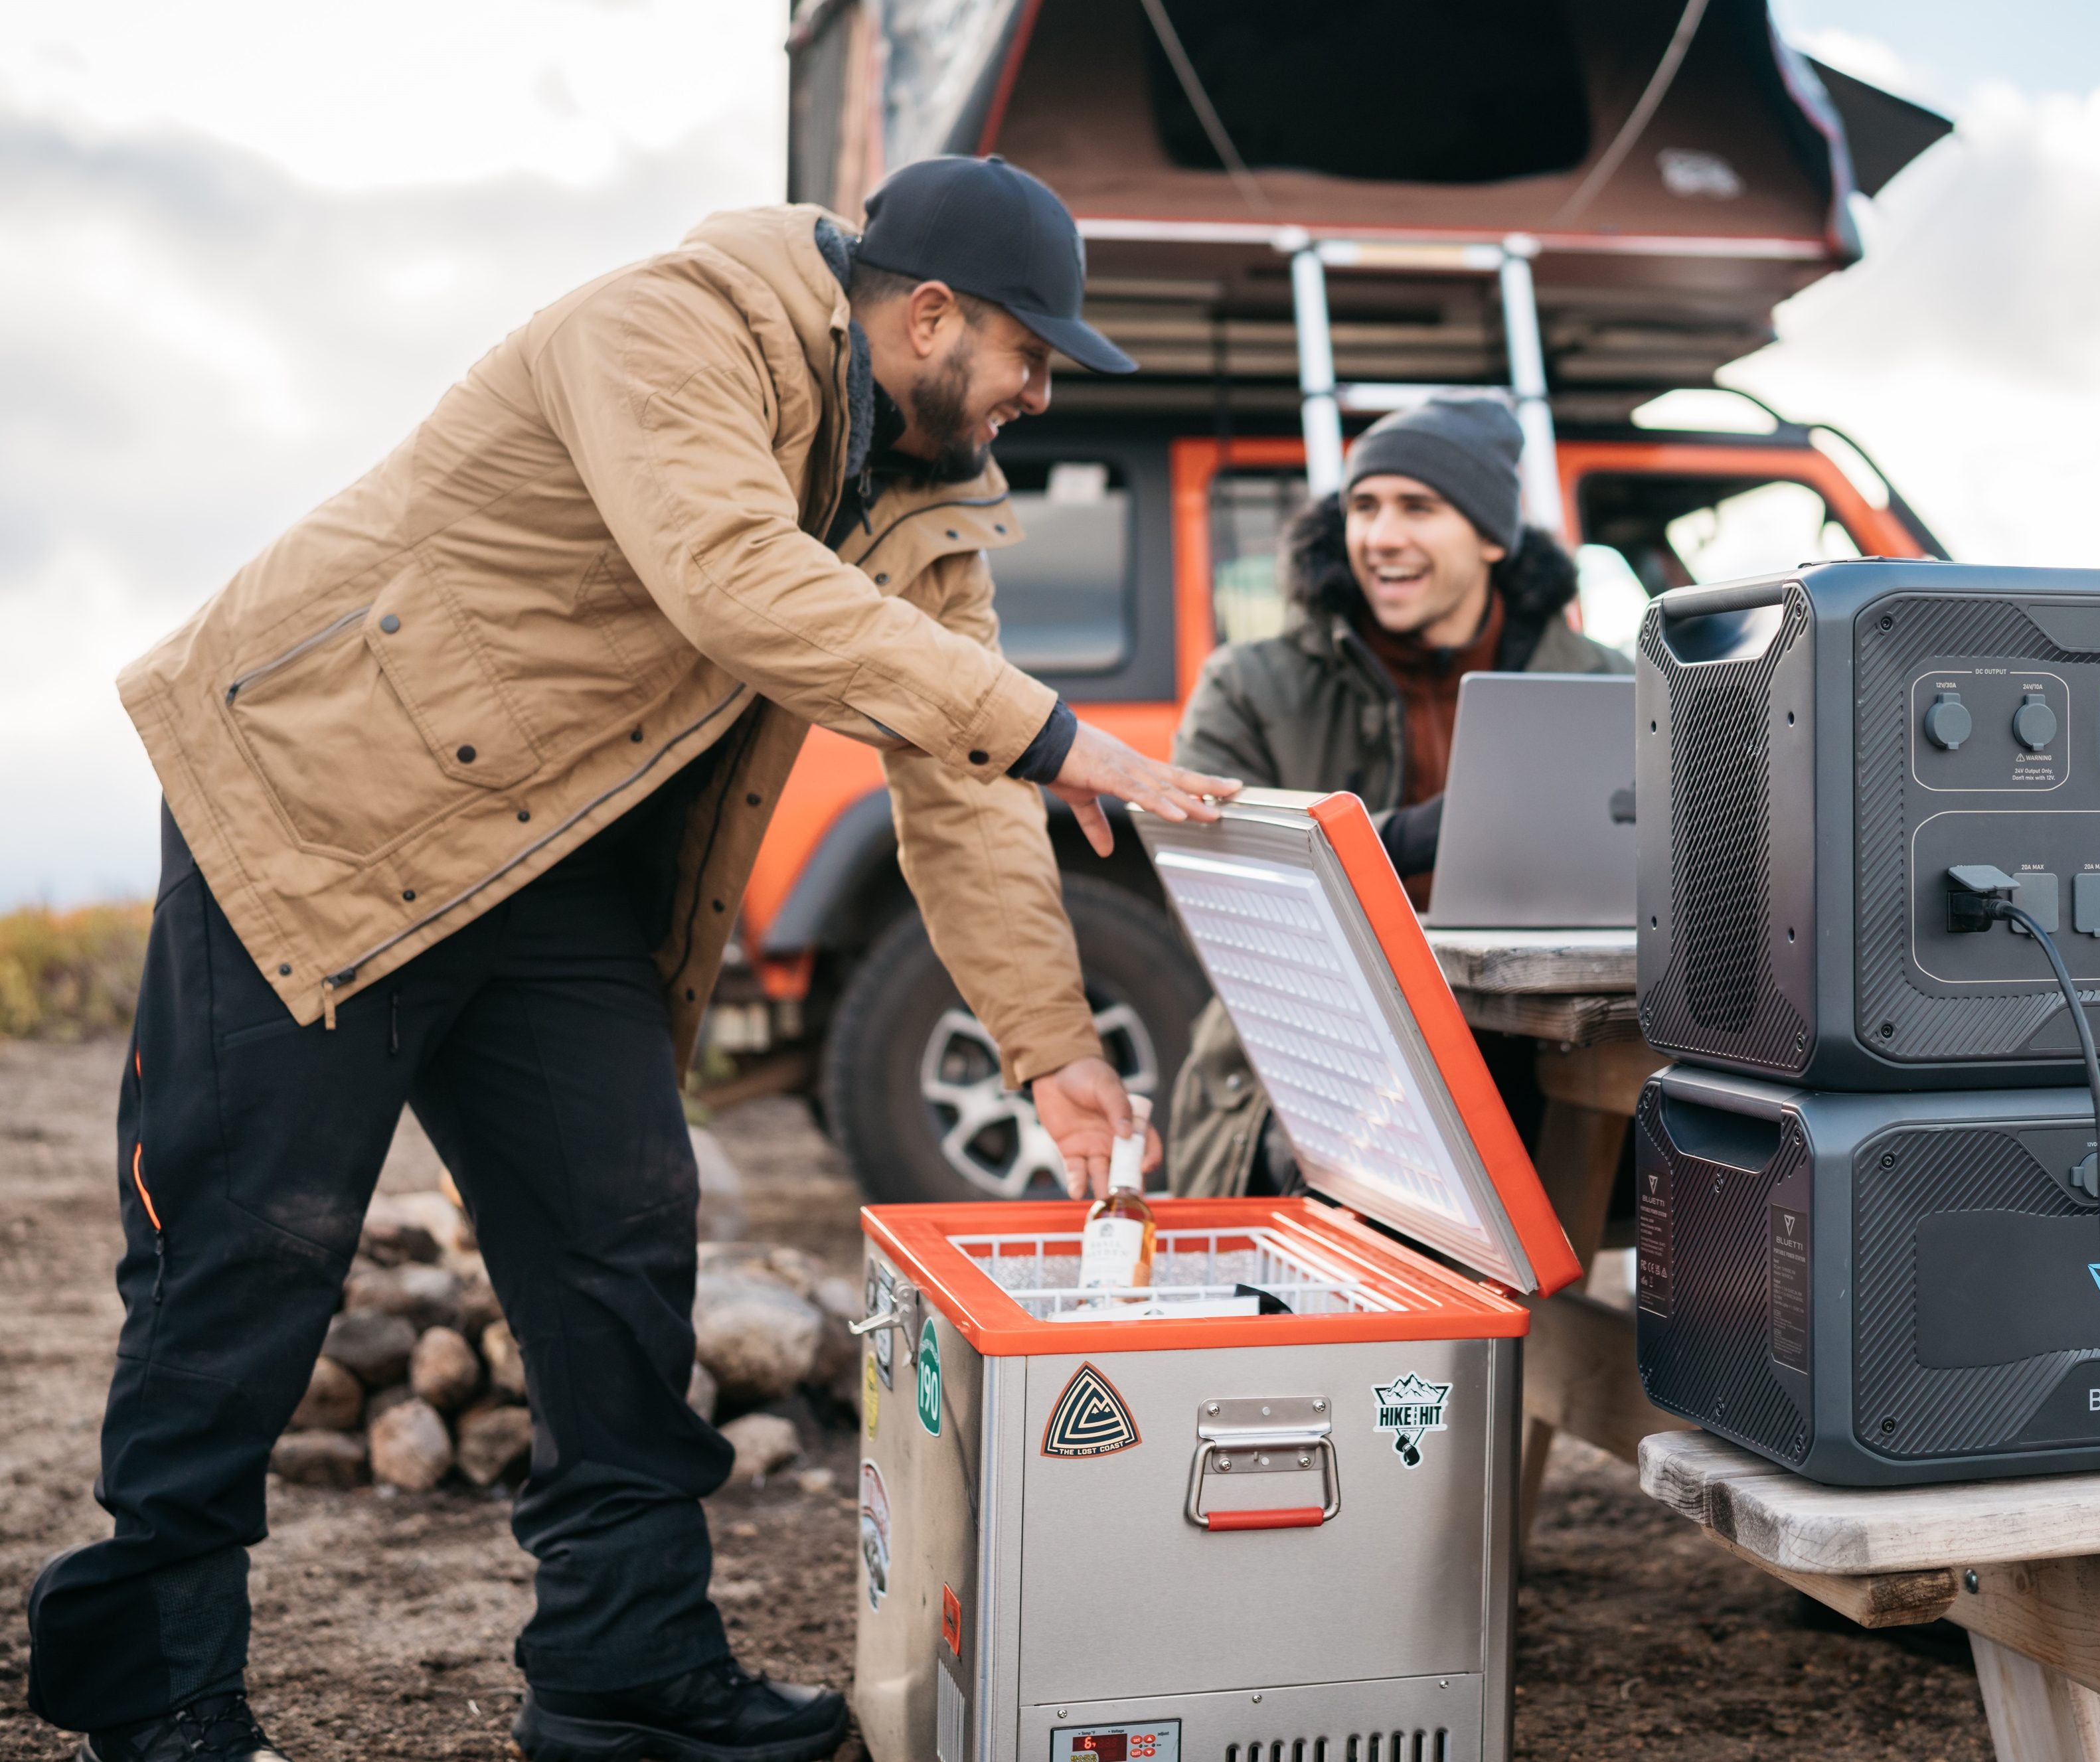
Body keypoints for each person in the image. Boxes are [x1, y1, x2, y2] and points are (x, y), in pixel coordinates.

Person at [24, 156, 1237, 1762]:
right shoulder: (673, 327)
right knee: (248, 1248)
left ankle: (620, 1663)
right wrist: (1062, 738)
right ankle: (162, 1693)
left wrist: (1052, 1046)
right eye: (1033, 355)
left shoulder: (927, 500)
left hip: (548, 866)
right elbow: (731, 576)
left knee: (621, 1237)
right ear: (933, 315)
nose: (1038, 393)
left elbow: (957, 786)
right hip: (324, 807)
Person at [1165, 396, 1629, 1198]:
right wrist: (1405, 839)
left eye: (1418, 507)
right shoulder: (1247, 685)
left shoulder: (1610, 685)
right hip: (1324, 1062)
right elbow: (1209, 886)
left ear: (1491, 536)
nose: (1380, 537)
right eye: (1363, 506)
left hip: (1549, 1054)